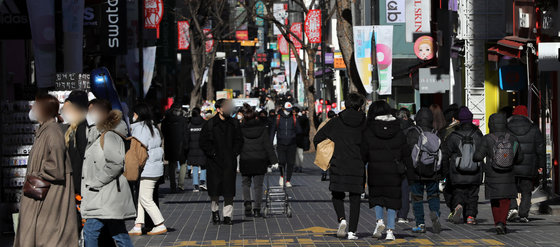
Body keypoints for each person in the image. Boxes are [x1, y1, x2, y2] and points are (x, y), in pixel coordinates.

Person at [15, 94, 79, 247]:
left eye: (36, 106)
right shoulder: (45, 131)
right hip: (42, 195)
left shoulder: (52, 132)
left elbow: (56, 166)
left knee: (47, 236)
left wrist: (37, 173)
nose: (33, 109)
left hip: (49, 197)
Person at [81, 100, 136, 246]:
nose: (89, 114)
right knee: (119, 233)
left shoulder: (110, 134)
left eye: (92, 111)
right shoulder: (98, 133)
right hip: (107, 194)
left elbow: (116, 163)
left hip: (106, 193)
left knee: (90, 230)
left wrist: (95, 182)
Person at [314, 93, 366, 240]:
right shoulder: (364, 122)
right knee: (355, 198)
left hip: (339, 163)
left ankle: (341, 219)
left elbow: (318, 138)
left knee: (337, 194)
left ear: (346, 104)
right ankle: (352, 232)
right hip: (357, 164)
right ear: (359, 106)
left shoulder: (336, 121)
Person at [362, 101, 408, 241]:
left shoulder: (369, 130)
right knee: (392, 199)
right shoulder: (397, 128)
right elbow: (404, 151)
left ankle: (379, 221)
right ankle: (390, 231)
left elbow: (364, 152)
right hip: (393, 170)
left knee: (377, 197)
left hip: (375, 168)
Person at [474, 113, 522, 234]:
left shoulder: (487, 138)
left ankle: (497, 223)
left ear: (491, 124)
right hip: (508, 174)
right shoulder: (513, 138)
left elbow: (478, 157)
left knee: (495, 200)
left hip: (492, 174)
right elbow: (520, 158)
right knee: (505, 201)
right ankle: (502, 222)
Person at [200, 99, 243, 225]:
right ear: (218, 109)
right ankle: (215, 212)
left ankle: (228, 215)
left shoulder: (234, 123)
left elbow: (239, 140)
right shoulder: (210, 124)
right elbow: (203, 142)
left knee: (229, 190)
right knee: (215, 190)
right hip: (214, 162)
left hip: (229, 161)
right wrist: (212, 153)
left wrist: (234, 152)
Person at [128, 103, 167, 235]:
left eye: (133, 114)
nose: (132, 116)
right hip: (155, 168)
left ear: (138, 114)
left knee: (145, 199)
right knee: (141, 197)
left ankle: (159, 223)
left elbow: (138, 151)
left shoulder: (140, 129)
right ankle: (138, 225)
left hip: (147, 169)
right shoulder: (152, 128)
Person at [442, 107, 484, 224]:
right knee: (473, 194)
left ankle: (458, 205)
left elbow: (446, 154)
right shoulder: (478, 134)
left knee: (458, 191)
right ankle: (470, 216)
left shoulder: (454, 135)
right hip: (475, 170)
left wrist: (445, 171)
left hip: (457, 170)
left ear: (459, 120)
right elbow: (482, 152)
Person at [506, 105, 546, 223]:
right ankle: (523, 214)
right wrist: (541, 165)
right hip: (529, 165)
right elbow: (540, 148)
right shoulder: (533, 128)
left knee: (510, 188)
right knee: (526, 190)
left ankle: (512, 208)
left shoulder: (507, 128)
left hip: (511, 164)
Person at [405, 108, 442, 233]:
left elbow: (407, 152)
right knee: (433, 195)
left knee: (417, 198)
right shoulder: (436, 133)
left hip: (417, 172)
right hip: (433, 171)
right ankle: (435, 213)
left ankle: (420, 224)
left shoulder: (412, 132)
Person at [239, 104, 279, 217]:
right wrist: (274, 160)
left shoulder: (241, 129)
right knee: (258, 186)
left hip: (246, 159)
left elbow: (237, 144)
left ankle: (247, 202)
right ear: (255, 117)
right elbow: (268, 145)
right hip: (260, 159)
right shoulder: (262, 128)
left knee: (245, 184)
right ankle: (257, 208)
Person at [60, 91, 89, 228]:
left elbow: (85, 159)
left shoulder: (82, 128)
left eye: (69, 108)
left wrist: (78, 185)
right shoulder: (72, 128)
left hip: (80, 185)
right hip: (75, 183)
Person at [270, 102, 302, 187]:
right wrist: (270, 142)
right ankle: (281, 176)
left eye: (290, 110)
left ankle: (288, 180)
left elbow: (299, 131)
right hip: (281, 143)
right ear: (283, 109)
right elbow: (273, 130)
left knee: (291, 162)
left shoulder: (294, 117)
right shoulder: (278, 118)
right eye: (287, 110)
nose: (288, 111)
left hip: (292, 143)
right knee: (282, 161)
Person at [161, 103, 188, 192]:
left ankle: (173, 185)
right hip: (181, 144)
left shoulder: (166, 120)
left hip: (170, 144)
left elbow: (163, 132)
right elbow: (186, 133)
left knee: (171, 165)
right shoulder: (183, 120)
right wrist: (186, 144)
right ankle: (181, 184)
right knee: (183, 164)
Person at [441, 104, 460, 220]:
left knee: (449, 189)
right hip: (469, 165)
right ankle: (469, 215)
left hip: (452, 165)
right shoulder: (472, 129)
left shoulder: (446, 131)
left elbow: (444, 151)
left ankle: (454, 208)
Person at [395, 107, 413, 223]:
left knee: (398, 190)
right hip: (409, 163)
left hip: (396, 162)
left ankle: (397, 212)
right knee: (406, 190)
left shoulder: (395, 128)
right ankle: (402, 214)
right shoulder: (412, 128)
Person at [186, 107, 208, 192]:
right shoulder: (204, 123)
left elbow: (186, 137)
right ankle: (202, 182)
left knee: (194, 166)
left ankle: (195, 185)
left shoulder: (189, 124)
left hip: (192, 148)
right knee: (203, 165)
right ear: (200, 113)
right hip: (202, 148)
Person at [317, 110, 337, 181]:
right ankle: (332, 175)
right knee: (332, 161)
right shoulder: (335, 124)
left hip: (324, 144)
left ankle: (324, 174)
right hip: (332, 144)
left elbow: (318, 134)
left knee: (324, 161)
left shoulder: (323, 123)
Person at [295, 107, 310, 173]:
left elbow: (306, 129)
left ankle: (299, 166)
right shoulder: (297, 118)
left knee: (299, 153)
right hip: (296, 139)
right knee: (296, 154)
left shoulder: (302, 119)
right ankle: (297, 166)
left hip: (300, 139)